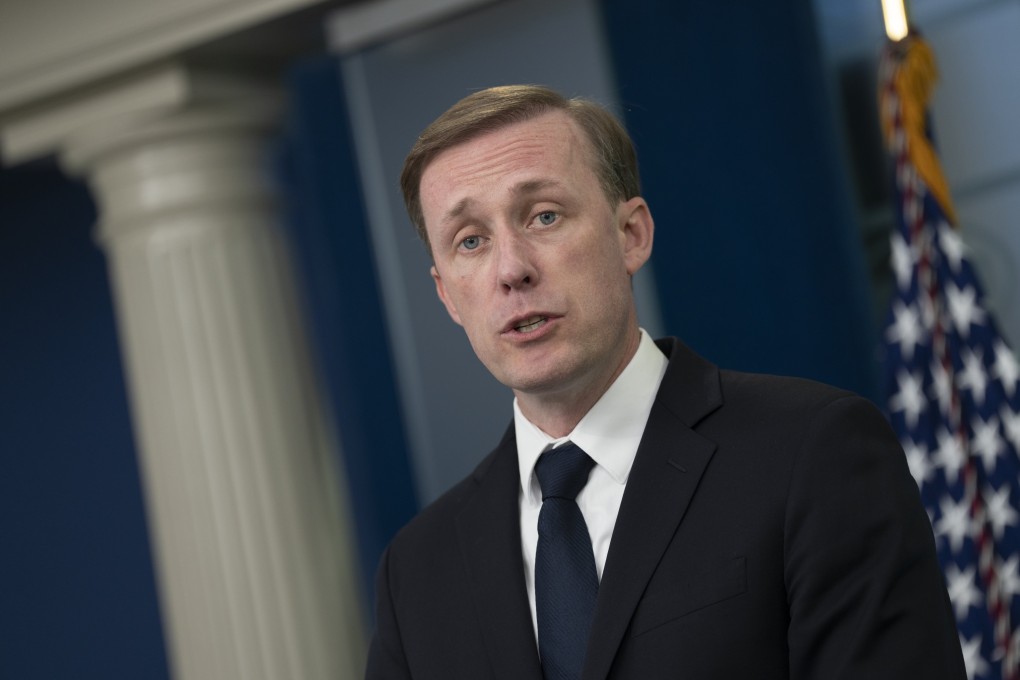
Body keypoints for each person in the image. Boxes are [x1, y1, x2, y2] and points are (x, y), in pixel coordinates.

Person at [365, 85, 966, 679]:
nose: (511, 269)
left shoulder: (813, 451)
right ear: (446, 293)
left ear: (631, 234)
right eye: (470, 241)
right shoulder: (416, 572)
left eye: (544, 215)